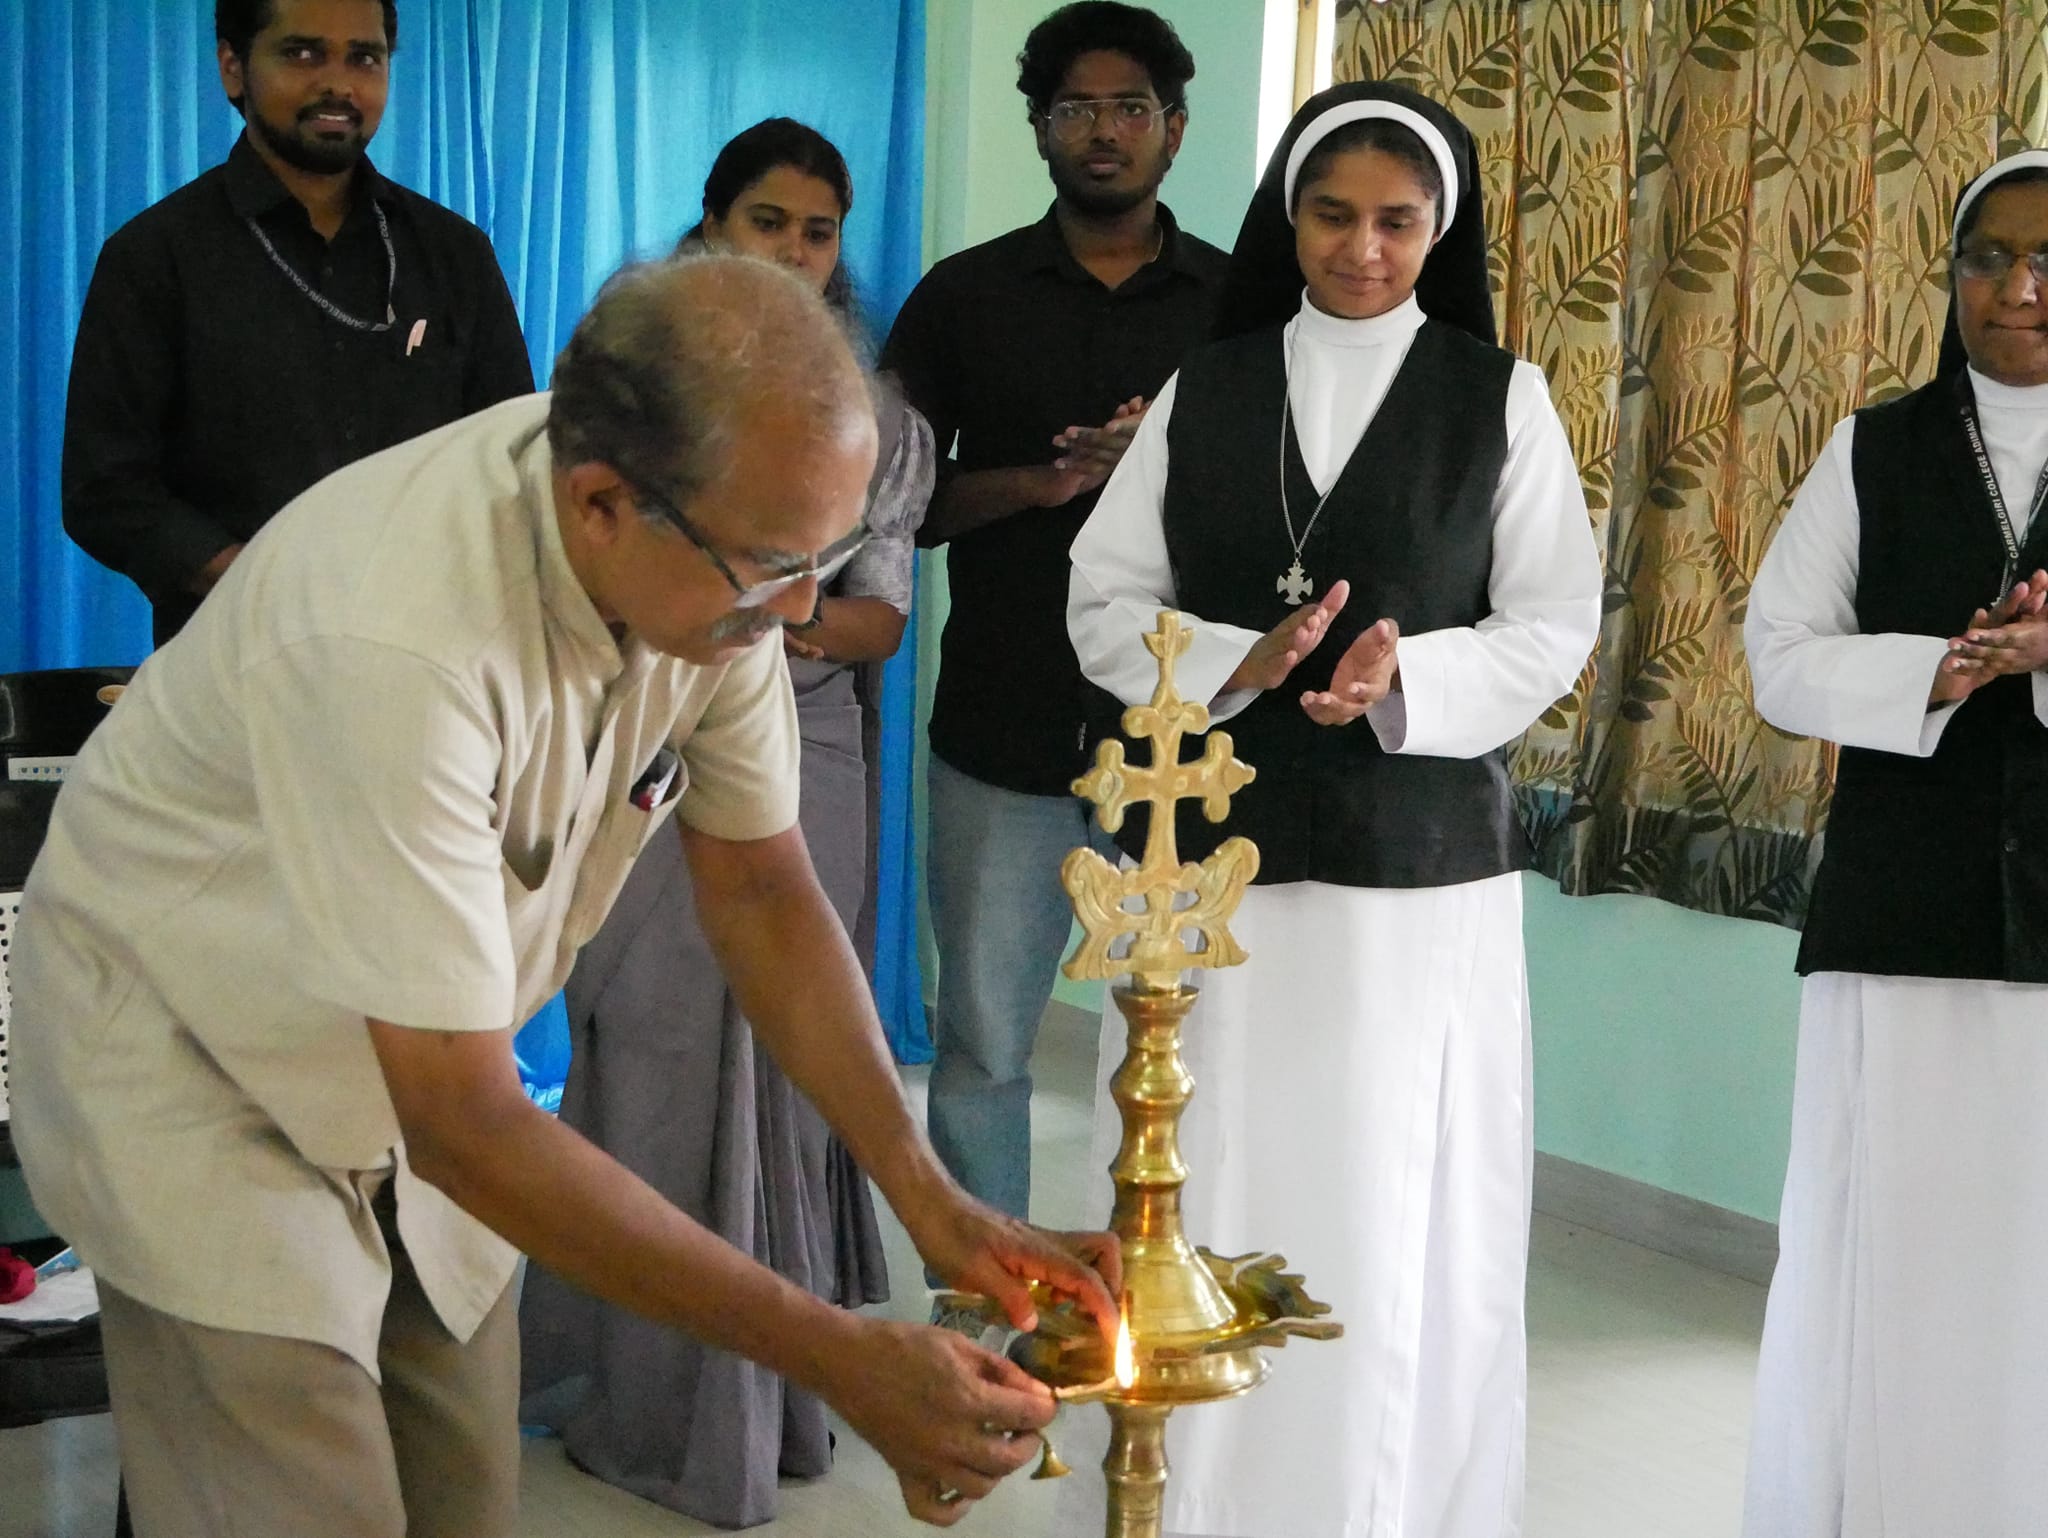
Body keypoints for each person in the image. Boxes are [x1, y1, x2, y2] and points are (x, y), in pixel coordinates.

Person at [10, 255, 1117, 1538]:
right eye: (776, 567)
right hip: (194, 1055)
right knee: (296, 1494)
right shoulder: (397, 638)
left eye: (825, 558)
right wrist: (831, 1352)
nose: (805, 611)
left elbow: (759, 883)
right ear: (597, 504)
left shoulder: (717, 557)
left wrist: (933, 1200)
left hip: (411, 1065)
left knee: (462, 1495)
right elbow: (468, 1121)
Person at [1063, 82, 1602, 1537]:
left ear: (1441, 227)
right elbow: (1103, 596)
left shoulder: (1500, 395)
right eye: (1333, 214)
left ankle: (1366, 1502)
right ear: (1288, 217)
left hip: (1411, 878)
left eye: (1398, 221)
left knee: (1383, 1196)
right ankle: (1196, 1496)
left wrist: (1403, 676)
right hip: (1214, 862)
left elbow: (1555, 624)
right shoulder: (1211, 381)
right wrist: (1235, 661)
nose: (1364, 248)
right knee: (1208, 1161)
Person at [517, 119, 936, 1529]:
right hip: (634, 719)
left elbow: (868, 618)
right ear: (712, 227)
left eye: (820, 231)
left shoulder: (876, 419)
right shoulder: (630, 394)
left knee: (770, 1063)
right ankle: (619, 1380)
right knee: (645, 1036)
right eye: (769, 222)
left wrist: (766, 601)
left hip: (791, 741)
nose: (796, 252)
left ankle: (756, 1411)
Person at [879, 1, 1228, 1264]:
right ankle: (991, 1295)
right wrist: (1037, 483)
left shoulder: (1239, 310)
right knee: (980, 1035)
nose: (1102, 132)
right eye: (1074, 108)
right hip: (1004, 722)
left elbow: (1281, 521)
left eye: (1128, 107)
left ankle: (1167, 1278)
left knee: (1190, 1031)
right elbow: (891, 504)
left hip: (1186, 739)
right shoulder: (960, 299)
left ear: (1173, 129)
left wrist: (1157, 474)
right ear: (1037, 127)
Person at [1740, 149, 2048, 1537]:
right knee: (1901, 1265)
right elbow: (1780, 657)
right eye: (1987, 257)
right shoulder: (1875, 446)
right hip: (1901, 922)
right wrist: (1940, 667)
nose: (2018, 287)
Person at [62, 0, 534, 647]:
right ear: (233, 68)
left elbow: (513, 462)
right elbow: (104, 488)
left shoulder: (454, 255)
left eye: (364, 58)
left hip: (430, 660)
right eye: (302, 53)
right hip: (232, 665)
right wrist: (258, 582)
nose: (338, 83)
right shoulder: (155, 256)